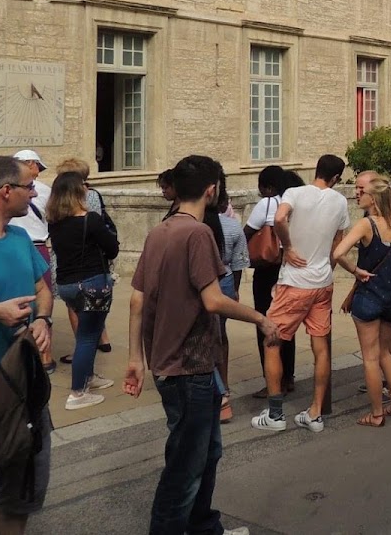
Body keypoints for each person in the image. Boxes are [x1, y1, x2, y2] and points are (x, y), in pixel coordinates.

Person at [125, 155, 276, 535]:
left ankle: (205, 527)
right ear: (212, 190)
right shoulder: (198, 234)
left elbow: (136, 300)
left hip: (180, 365)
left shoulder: (159, 232)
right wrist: (260, 318)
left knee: (207, 453)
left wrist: (135, 359)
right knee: (185, 469)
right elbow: (213, 300)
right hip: (187, 367)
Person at [0, 156, 54, 535]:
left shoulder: (20, 238)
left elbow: (42, 290)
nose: (34, 193)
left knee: (20, 492)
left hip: (24, 389)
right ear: (6, 191)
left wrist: (42, 319)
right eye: (28, 186)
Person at [251, 154, 351, 435]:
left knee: (272, 341)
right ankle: (315, 412)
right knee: (321, 347)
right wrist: (326, 268)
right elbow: (337, 246)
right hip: (322, 283)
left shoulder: (294, 193)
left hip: (294, 282)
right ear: (336, 178)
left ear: (316, 170)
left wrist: (288, 246)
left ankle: (275, 413)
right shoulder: (340, 201)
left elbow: (279, 218)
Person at [334, 172, 391, 428]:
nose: (358, 195)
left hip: (369, 297)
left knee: (370, 357)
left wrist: (356, 270)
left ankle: (377, 413)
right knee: (385, 353)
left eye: (363, 192)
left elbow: (338, 253)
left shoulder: (367, 224)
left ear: (374, 198)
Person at [46, 171, 119, 409]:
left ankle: (88, 377)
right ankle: (78, 392)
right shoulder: (91, 220)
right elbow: (112, 248)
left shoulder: (55, 223)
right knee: (88, 337)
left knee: (86, 334)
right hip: (92, 282)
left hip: (67, 284)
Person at [244, 166, 302, 399]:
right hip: (288, 269)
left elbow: (246, 233)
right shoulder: (293, 204)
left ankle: (273, 382)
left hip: (267, 269)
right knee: (287, 325)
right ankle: (288, 377)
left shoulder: (267, 204)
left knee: (265, 324)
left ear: (268, 186)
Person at [53, 158, 115, 359]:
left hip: (67, 274)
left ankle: (84, 354)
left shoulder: (55, 218)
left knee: (78, 314)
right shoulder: (93, 199)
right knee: (91, 323)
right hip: (92, 270)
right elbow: (108, 243)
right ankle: (101, 341)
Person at [209, 171, 248, 423]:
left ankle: (218, 391)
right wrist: (234, 291)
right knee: (220, 336)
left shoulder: (193, 224)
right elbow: (239, 264)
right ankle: (224, 386)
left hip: (205, 281)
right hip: (225, 281)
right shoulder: (233, 226)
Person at [10, 151, 54, 371]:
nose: (39, 172)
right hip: (37, 245)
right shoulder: (44, 190)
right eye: (38, 166)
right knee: (41, 297)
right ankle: (45, 356)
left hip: (21, 244)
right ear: (29, 164)